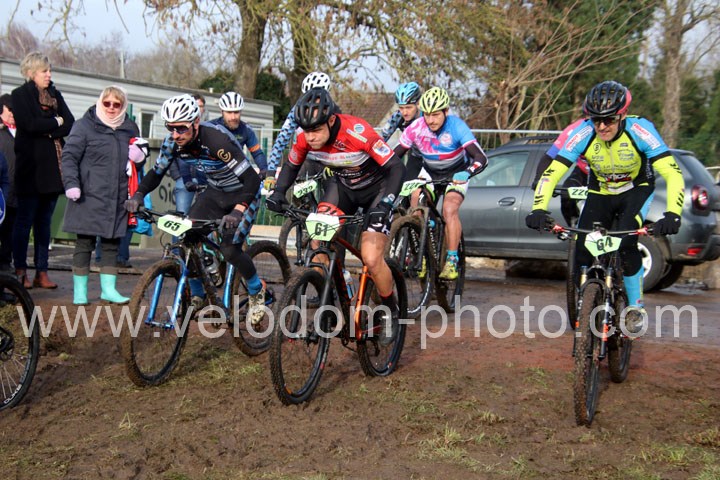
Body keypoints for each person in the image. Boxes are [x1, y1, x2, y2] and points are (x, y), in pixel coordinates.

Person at [525, 80, 685, 334]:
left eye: (609, 120)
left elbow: (673, 173)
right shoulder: (584, 133)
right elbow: (552, 172)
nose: (601, 126)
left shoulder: (640, 130)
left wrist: (673, 214)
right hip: (600, 190)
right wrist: (538, 208)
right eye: (596, 119)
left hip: (636, 190)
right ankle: (586, 302)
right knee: (582, 247)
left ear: (622, 115)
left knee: (627, 243)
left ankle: (635, 307)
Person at [266, 88, 406, 343]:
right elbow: (291, 166)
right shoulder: (304, 139)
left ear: (331, 120)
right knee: (318, 244)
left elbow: (396, 167)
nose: (310, 137)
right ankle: (329, 303)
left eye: (316, 130)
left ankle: (390, 311)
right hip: (343, 189)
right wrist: (278, 193)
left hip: (378, 190)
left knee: (371, 257)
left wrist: (387, 203)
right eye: (306, 130)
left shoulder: (358, 132)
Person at [125, 94, 267, 324]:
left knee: (229, 249)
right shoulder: (172, 143)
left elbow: (251, 179)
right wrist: (139, 194)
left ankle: (256, 289)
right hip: (215, 192)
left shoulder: (216, 140)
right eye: (170, 128)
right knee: (186, 238)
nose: (175, 134)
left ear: (196, 122)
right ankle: (198, 295)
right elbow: (157, 173)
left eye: (181, 128)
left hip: (243, 192)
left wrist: (238, 211)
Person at [61, 86, 147, 305]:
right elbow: (69, 157)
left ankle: (108, 290)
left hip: (117, 197)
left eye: (116, 104)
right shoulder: (84, 125)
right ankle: (80, 292)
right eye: (107, 103)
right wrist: (72, 184)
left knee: (111, 244)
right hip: (87, 196)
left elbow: (137, 161)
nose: (111, 108)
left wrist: (140, 158)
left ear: (123, 106)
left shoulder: (130, 127)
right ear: (100, 102)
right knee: (84, 244)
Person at [393, 86, 488, 280]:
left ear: (446, 111)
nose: (430, 120)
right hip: (430, 172)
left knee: (449, 208)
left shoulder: (457, 127)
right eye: (427, 115)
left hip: (456, 173)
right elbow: (395, 155)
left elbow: (481, 157)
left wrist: (467, 172)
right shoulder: (416, 127)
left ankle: (452, 260)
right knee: (416, 201)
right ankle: (422, 252)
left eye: (435, 115)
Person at [11, 52, 75, 289]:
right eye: (44, 71)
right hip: (30, 169)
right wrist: (55, 122)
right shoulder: (19, 95)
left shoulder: (55, 94)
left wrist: (48, 129)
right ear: (31, 73)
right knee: (24, 222)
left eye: (49, 70)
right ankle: (20, 271)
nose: (49, 74)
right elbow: (29, 124)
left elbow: (70, 122)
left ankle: (42, 271)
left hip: (52, 170)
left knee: (44, 223)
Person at [265, 71, 334, 190]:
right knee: (296, 189)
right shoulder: (297, 110)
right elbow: (282, 139)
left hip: (328, 158)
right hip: (306, 157)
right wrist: (271, 173)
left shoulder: (333, 110)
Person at [532, 118, 589, 226]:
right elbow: (549, 157)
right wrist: (538, 179)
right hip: (582, 172)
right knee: (566, 194)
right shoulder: (574, 130)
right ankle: (574, 225)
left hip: (606, 174)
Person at [208, 91, 268, 182]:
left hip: (236, 173)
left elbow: (257, 153)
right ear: (222, 112)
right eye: (229, 112)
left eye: (236, 112)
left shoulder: (246, 129)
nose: (233, 117)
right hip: (213, 175)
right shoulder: (210, 127)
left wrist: (264, 170)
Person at [167, 93, 208, 214]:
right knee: (181, 216)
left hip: (205, 181)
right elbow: (170, 156)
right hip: (183, 178)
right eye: (195, 106)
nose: (198, 109)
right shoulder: (176, 132)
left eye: (200, 106)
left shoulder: (209, 131)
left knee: (203, 216)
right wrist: (177, 176)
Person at [380, 82, 426, 181]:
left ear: (418, 104)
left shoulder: (427, 117)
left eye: (409, 107)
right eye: (401, 108)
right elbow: (381, 139)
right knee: (407, 186)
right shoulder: (397, 117)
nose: (404, 112)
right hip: (415, 156)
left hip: (432, 158)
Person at [0, 94, 17, 274]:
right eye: (9, 109)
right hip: (4, 195)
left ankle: (6, 268)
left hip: (13, 194)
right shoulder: (2, 134)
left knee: (10, 236)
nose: (13, 113)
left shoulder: (21, 132)